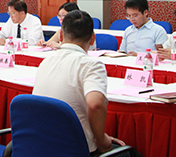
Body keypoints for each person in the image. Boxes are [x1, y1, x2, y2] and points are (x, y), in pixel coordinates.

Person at [34, 10, 125, 155]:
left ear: (61, 36)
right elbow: (95, 104)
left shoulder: (46, 61)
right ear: (93, 38)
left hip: (41, 144)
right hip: (75, 147)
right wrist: (101, 139)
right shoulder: (91, 65)